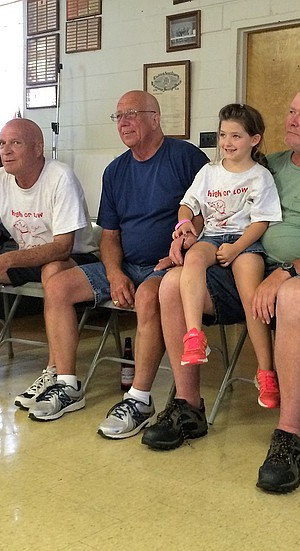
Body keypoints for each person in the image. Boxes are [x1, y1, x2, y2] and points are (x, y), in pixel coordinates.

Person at [143, 85, 300, 452]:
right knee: (170, 284)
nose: (292, 120)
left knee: (294, 296)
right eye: (291, 111)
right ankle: (187, 406)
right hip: (248, 268)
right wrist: (185, 237)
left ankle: (288, 434)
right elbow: (223, 210)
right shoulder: (271, 163)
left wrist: (286, 272)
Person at [20, 90, 208, 428]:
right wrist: (114, 273)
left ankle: (138, 399)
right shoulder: (115, 171)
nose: (123, 122)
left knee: (149, 296)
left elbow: (206, 214)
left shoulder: (185, 157)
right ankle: (66, 384)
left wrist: (181, 250)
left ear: (155, 117)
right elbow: (109, 236)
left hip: (167, 266)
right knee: (59, 286)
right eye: (118, 116)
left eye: (131, 114)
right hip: (125, 266)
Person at [0, 117, 98, 396]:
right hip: (27, 257)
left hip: (79, 259)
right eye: (3, 143)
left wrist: (4, 260)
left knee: (53, 269)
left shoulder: (60, 176)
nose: (5, 151)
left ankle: (56, 372)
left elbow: (62, 247)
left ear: (38, 148)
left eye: (15, 143)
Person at [172, 103, 282, 408]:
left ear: (254, 140)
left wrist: (236, 248)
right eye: (223, 135)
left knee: (251, 298)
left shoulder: (260, 177)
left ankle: (266, 371)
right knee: (193, 260)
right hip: (211, 237)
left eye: (236, 136)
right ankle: (194, 335)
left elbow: (261, 221)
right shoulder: (209, 172)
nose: (227, 143)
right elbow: (188, 204)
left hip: (245, 242)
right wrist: (183, 225)